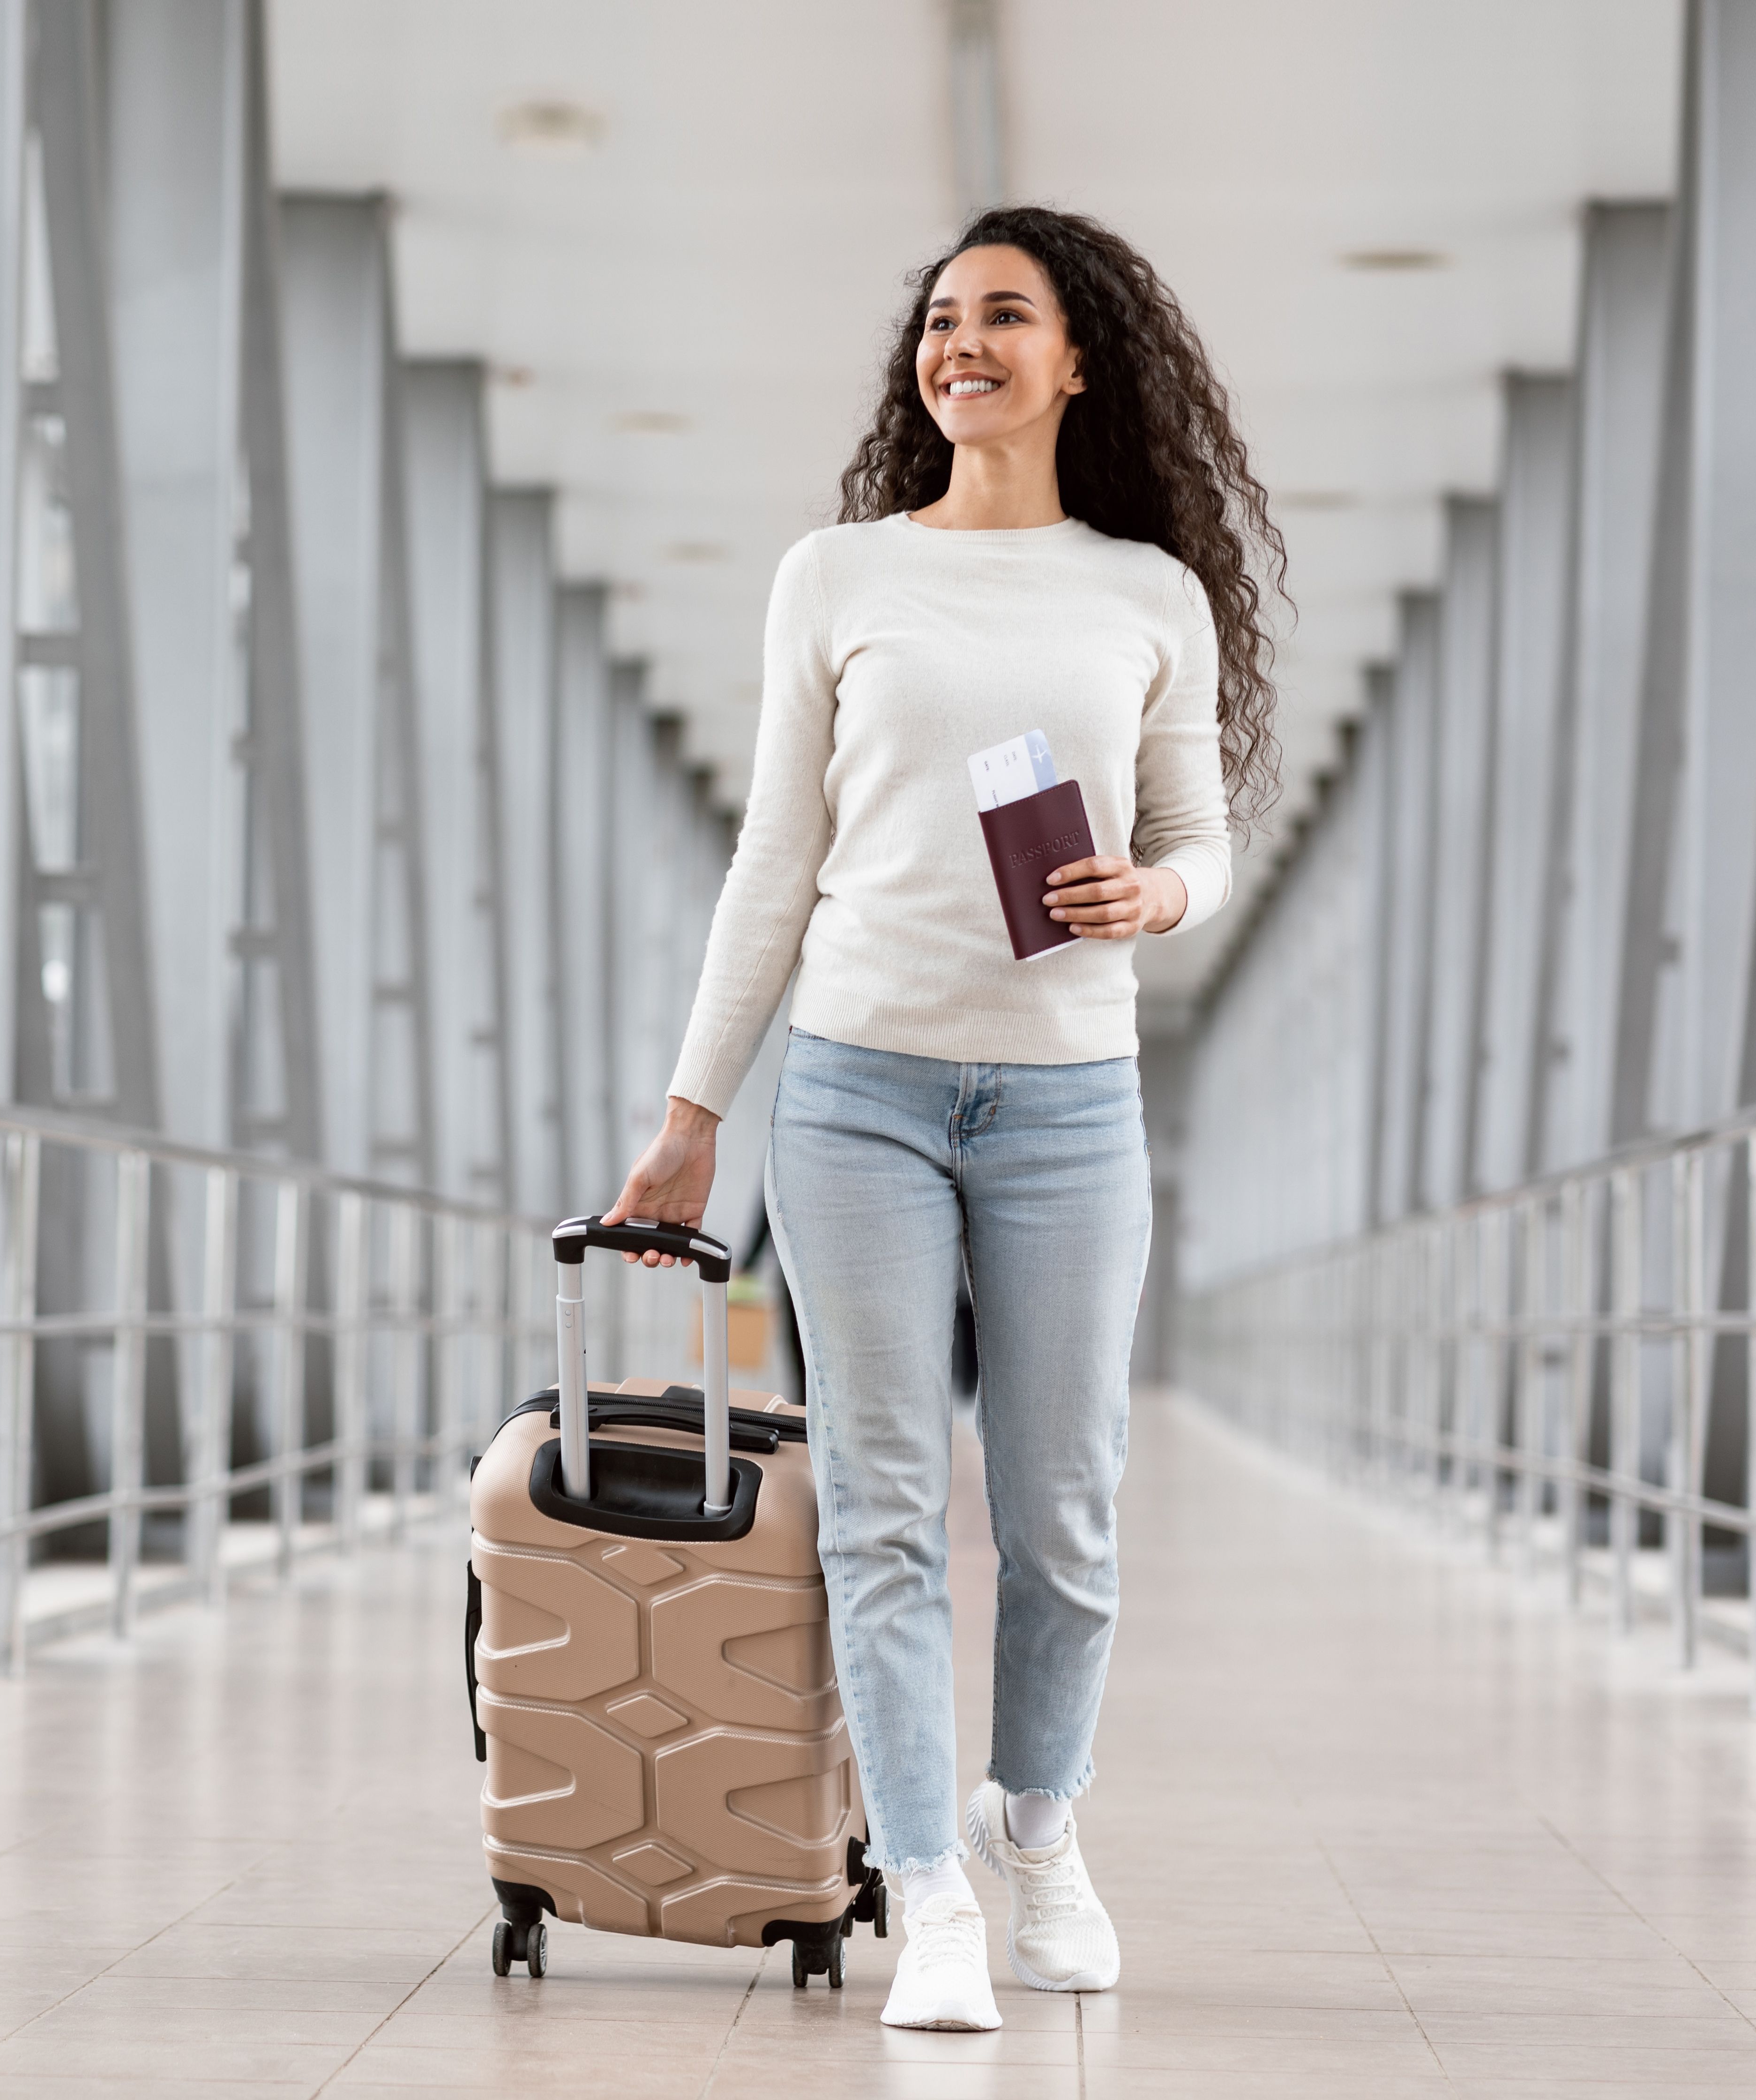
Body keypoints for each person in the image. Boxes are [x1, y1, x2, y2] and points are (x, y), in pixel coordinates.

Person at [605, 204, 1281, 2032]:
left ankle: (1033, 1822)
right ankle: (925, 1884)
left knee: (1066, 1507)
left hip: (1070, 1102)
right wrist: (692, 1116)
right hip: (857, 1093)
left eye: (1004, 315)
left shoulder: (1149, 595)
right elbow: (776, 860)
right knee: (890, 1501)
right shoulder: (837, 575)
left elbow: (1199, 836)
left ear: (1078, 361)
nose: (960, 341)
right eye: (939, 318)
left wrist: (1161, 898)